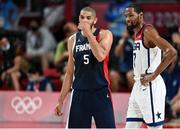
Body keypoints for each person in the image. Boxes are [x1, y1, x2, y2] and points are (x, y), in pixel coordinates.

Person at [55, 6, 116, 128]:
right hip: (79, 93)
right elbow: (69, 72)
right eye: (82, 17)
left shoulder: (105, 34)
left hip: (100, 92)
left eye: (88, 18)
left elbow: (100, 56)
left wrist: (88, 34)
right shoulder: (72, 40)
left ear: (95, 20)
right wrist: (61, 100)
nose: (84, 20)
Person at [123, 3, 177, 129]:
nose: (127, 19)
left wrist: (153, 75)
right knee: (130, 126)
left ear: (141, 16)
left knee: (154, 127)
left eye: (131, 15)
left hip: (150, 87)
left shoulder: (148, 31)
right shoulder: (136, 34)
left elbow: (172, 52)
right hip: (138, 87)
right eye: (126, 16)